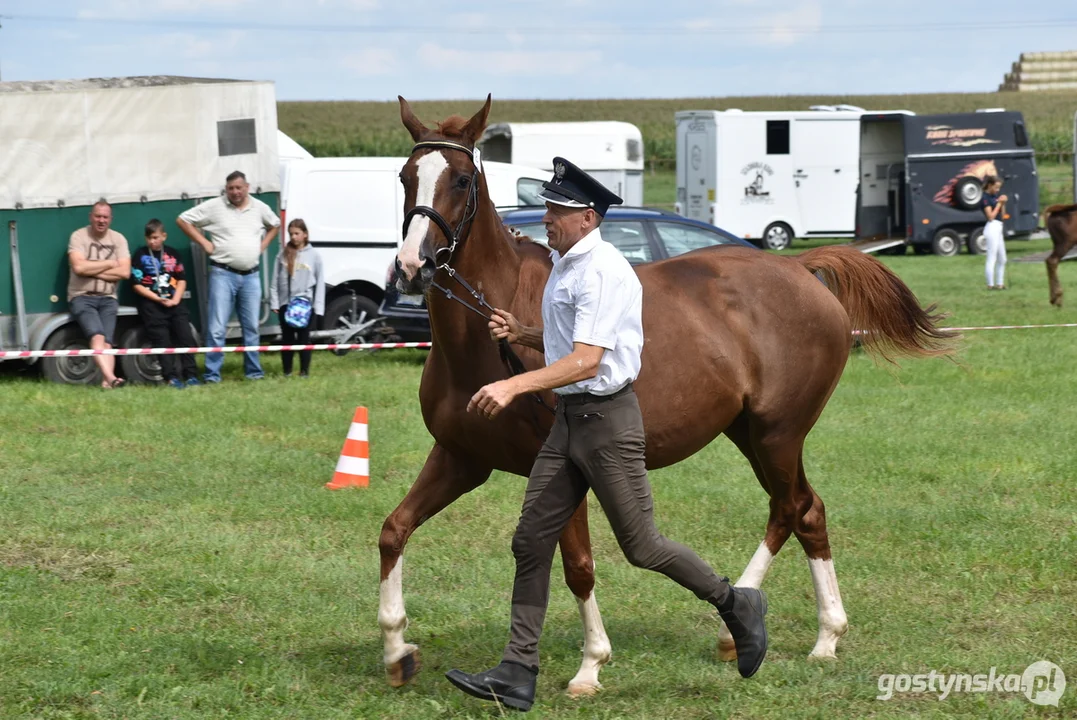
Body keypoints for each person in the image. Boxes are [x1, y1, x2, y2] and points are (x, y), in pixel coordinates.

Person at [445, 158, 768, 712]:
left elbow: (588, 361)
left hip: (607, 423)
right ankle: (517, 670)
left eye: (557, 211)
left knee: (642, 547)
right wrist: (522, 330)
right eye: (548, 208)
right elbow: (572, 335)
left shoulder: (603, 271)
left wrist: (514, 385)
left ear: (587, 218)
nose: (547, 218)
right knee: (530, 540)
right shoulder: (566, 263)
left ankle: (735, 602)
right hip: (568, 423)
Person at [176, 171, 280, 382]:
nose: (235, 192)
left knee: (251, 327)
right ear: (226, 189)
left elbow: (275, 224)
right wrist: (204, 243)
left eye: (238, 188)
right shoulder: (215, 206)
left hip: (251, 276)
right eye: (231, 188)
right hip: (223, 274)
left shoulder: (259, 208)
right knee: (217, 327)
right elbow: (183, 220)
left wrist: (262, 246)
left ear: (247, 187)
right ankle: (213, 374)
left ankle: (254, 372)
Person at [67, 200, 131, 389]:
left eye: (105, 217)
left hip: (108, 298)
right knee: (97, 336)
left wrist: (92, 269)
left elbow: (125, 273)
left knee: (108, 342)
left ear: (110, 219)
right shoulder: (78, 236)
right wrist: (110, 264)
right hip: (82, 296)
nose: (101, 220)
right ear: (91, 217)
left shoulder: (118, 239)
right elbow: (78, 267)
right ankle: (111, 378)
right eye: (98, 216)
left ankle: (106, 382)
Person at [130, 219, 202, 389]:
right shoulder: (140, 255)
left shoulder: (173, 253)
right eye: (149, 238)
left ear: (164, 236)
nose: (152, 241)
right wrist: (157, 299)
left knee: (186, 336)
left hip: (175, 302)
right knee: (161, 340)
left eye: (155, 237)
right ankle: (171, 377)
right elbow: (136, 284)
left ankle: (191, 375)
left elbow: (182, 279)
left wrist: (176, 299)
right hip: (152, 304)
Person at [269, 218, 325, 377]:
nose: (293, 237)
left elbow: (319, 282)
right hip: (286, 303)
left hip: (306, 304)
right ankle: (287, 370)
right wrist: (275, 302)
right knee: (287, 339)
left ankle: (304, 371)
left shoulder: (314, 256)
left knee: (303, 339)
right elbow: (274, 280)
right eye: (291, 234)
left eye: (297, 233)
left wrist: (318, 308)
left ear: (305, 235)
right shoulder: (283, 255)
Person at [982, 175, 1008, 290]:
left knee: (1002, 258)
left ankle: (1000, 283)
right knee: (991, 257)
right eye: (996, 187)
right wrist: (998, 204)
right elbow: (991, 216)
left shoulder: (994, 196)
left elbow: (1002, 215)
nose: (997, 190)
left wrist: (1003, 204)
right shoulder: (985, 198)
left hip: (999, 227)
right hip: (992, 227)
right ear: (990, 185)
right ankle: (990, 284)